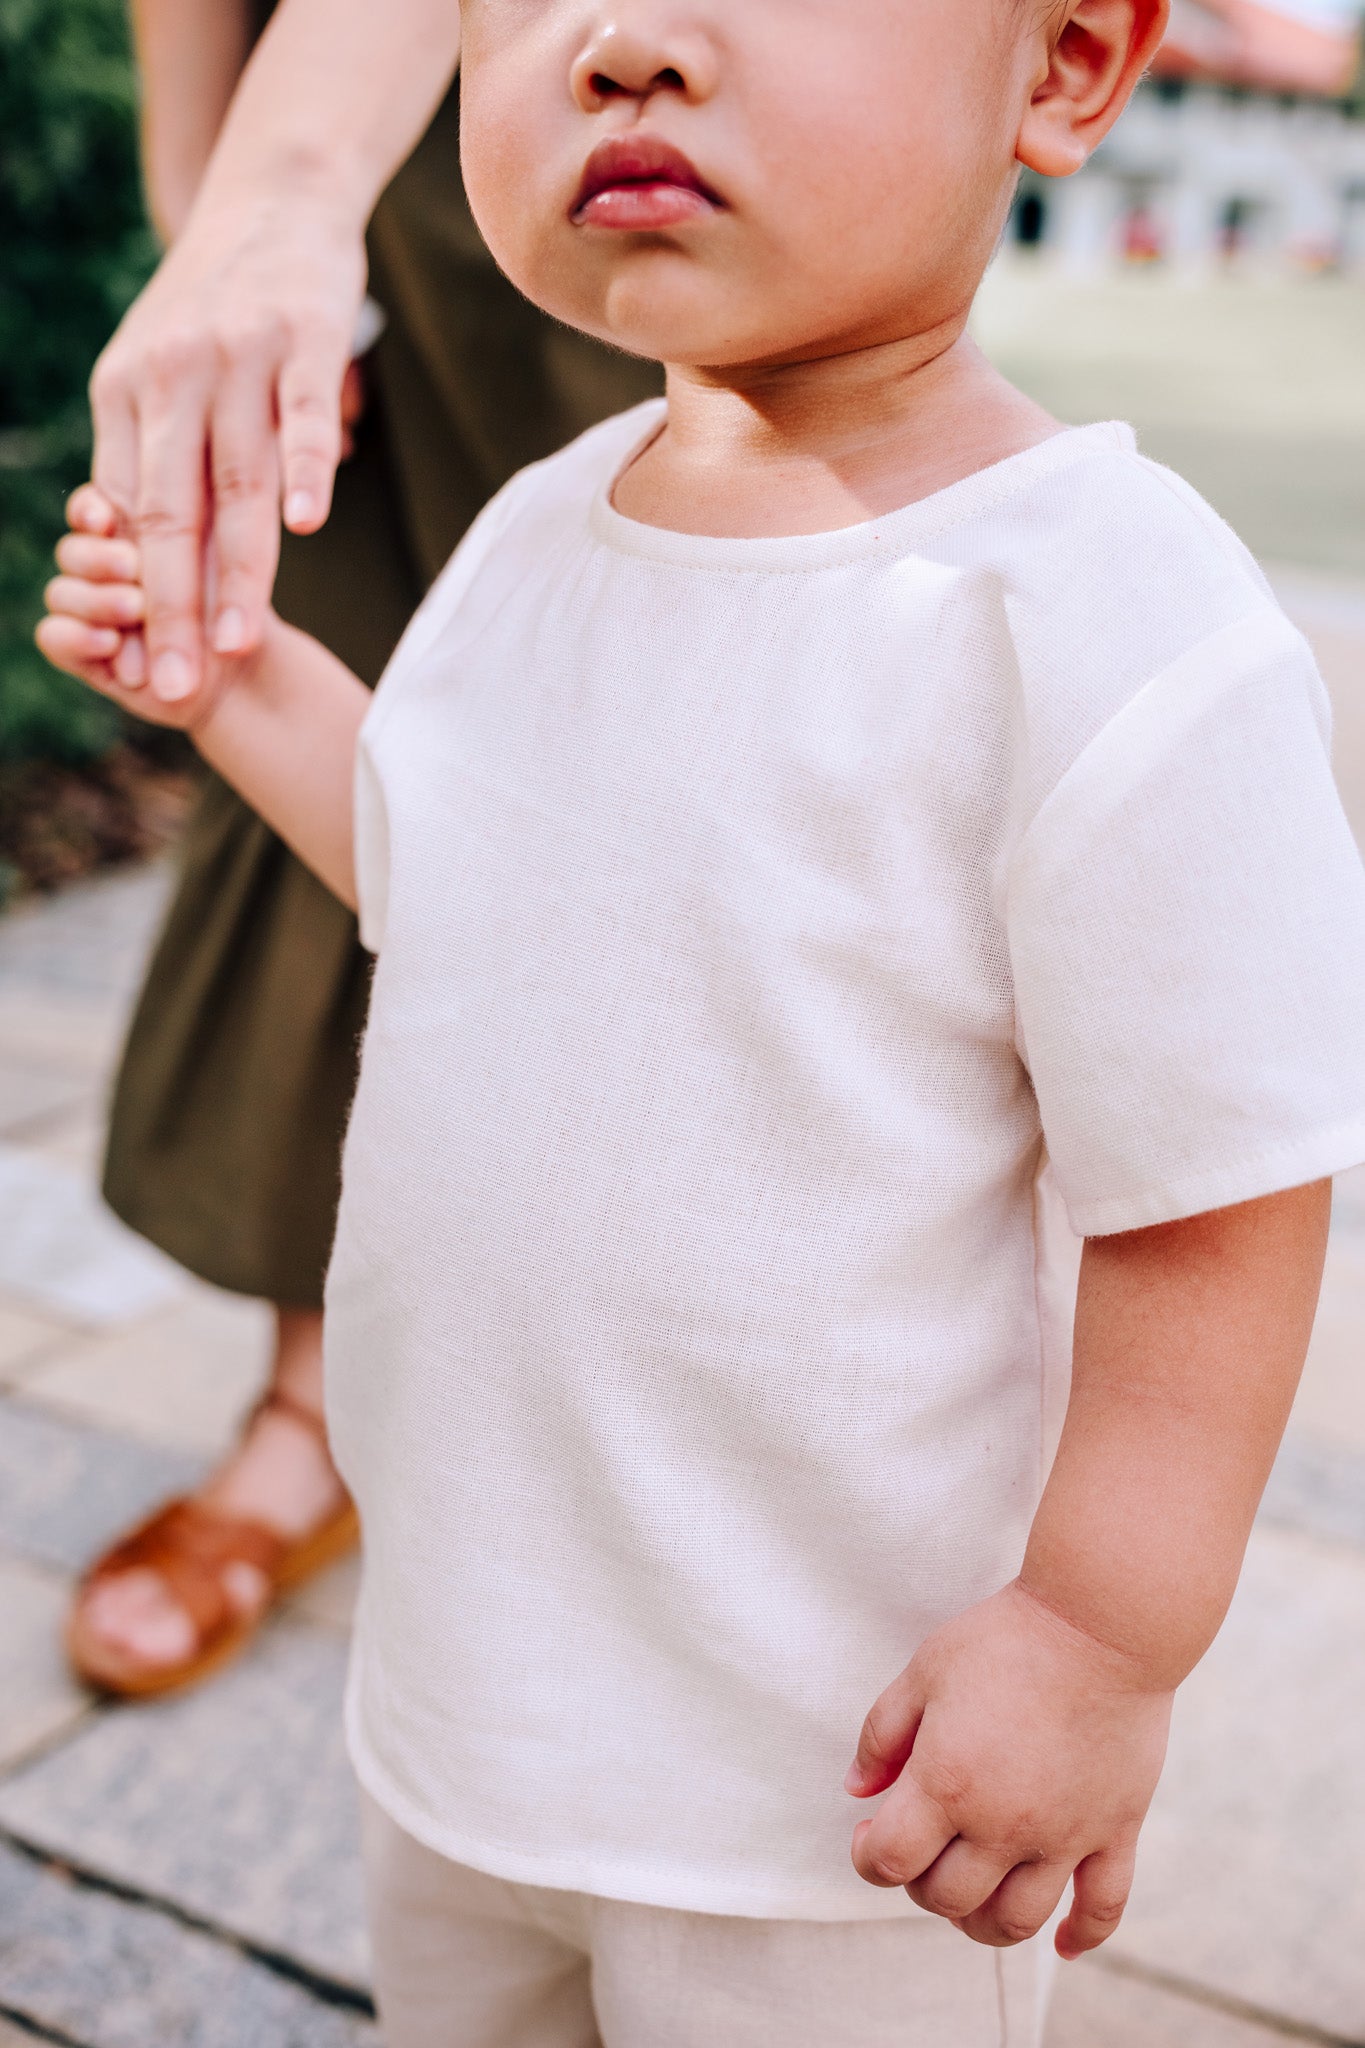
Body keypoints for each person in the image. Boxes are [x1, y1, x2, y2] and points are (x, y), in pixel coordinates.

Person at [40, 0, 1365, 2038]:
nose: (625, 42)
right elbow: (448, 875)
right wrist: (231, 680)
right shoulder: (540, 528)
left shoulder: (1102, 620)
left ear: (1066, 63)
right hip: (473, 1693)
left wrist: (1096, 1642)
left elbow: (1212, 1195)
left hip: (835, 1778)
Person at [67, 0, 659, 1694]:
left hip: (663, 89)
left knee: (675, 686)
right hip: (360, 148)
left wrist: (279, 183)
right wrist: (225, 199)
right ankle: (314, 1408)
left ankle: (683, 1435)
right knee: (342, 683)